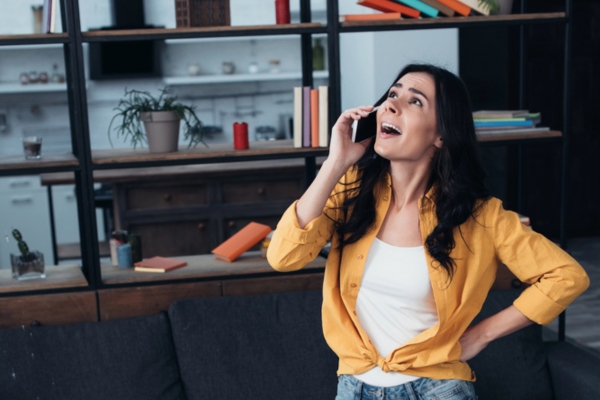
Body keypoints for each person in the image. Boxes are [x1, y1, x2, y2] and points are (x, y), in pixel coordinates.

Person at [267, 63, 589, 400]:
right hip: (354, 387)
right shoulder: (350, 189)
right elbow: (283, 257)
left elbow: (566, 276)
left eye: (415, 101)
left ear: (442, 135)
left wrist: (480, 336)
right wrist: (335, 163)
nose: (391, 105)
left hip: (438, 389)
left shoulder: (481, 216)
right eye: (393, 95)